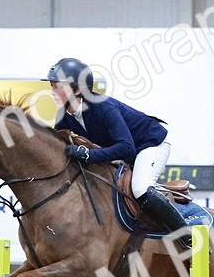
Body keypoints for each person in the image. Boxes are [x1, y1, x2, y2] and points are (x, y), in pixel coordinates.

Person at [44, 57, 191, 249]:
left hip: (150, 144)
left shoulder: (104, 107)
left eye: (59, 87)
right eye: (52, 86)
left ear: (78, 90)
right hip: (124, 152)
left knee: (140, 188)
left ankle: (186, 234)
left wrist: (89, 155)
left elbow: (126, 147)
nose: (54, 91)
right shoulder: (64, 115)